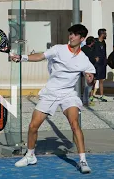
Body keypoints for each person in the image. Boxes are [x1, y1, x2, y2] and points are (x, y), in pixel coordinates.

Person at [11, 24, 95, 174]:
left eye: (75, 35)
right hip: (50, 93)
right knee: (33, 126)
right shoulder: (58, 49)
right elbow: (40, 56)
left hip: (68, 94)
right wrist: (22, 57)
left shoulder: (84, 59)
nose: (71, 37)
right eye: (70, 34)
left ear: (82, 39)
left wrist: (90, 80)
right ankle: (30, 155)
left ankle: (83, 160)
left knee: (75, 124)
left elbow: (90, 78)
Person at [92, 29, 108, 102]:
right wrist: (94, 57)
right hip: (96, 64)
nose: (106, 35)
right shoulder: (95, 42)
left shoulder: (104, 42)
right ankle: (91, 95)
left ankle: (101, 95)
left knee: (101, 80)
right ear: (102, 34)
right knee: (94, 80)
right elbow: (91, 50)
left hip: (103, 63)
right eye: (105, 34)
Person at [81, 36, 97, 106]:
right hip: (88, 70)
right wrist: (95, 59)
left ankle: (86, 100)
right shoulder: (89, 50)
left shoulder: (82, 49)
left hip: (84, 70)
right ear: (92, 42)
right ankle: (86, 101)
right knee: (88, 86)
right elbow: (90, 59)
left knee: (86, 86)